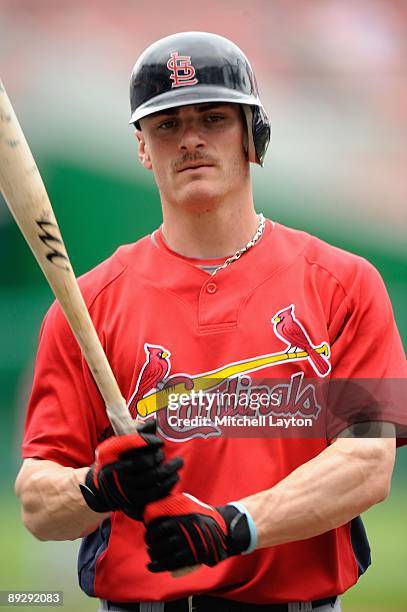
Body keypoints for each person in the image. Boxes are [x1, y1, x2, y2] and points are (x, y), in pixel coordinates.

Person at [15, 31, 407, 612]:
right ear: (142, 148)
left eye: (214, 117)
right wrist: (97, 487)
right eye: (167, 124)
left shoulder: (345, 283)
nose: (191, 138)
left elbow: (367, 464)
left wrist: (234, 526)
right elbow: (37, 503)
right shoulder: (89, 302)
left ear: (254, 135)